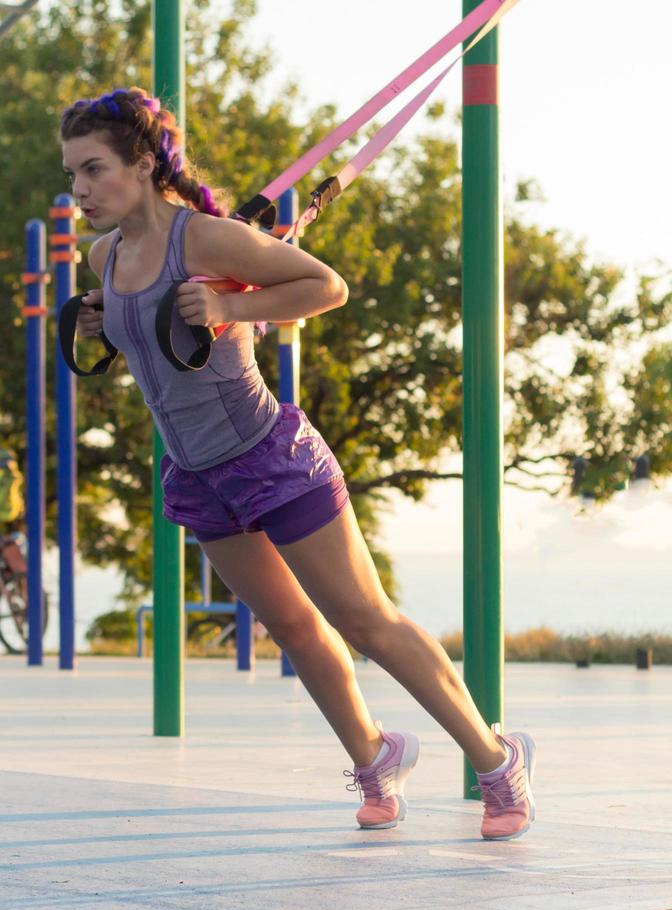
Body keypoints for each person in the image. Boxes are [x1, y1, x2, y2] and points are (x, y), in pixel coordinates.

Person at [60, 87, 534, 840]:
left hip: (269, 458)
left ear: (144, 164)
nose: (79, 191)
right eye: (72, 176)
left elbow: (326, 285)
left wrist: (230, 311)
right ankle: (378, 757)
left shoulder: (207, 238)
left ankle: (496, 758)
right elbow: (157, 344)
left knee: (363, 620)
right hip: (197, 473)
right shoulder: (103, 255)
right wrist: (105, 320)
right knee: (292, 626)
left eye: (93, 170)